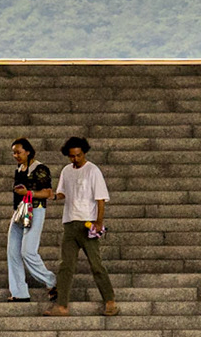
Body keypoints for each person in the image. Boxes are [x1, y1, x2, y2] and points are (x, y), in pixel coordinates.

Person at [44, 135, 117, 317]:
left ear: (84, 153)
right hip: (70, 223)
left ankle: (110, 301)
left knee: (96, 264)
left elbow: (100, 199)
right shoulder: (67, 171)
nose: (75, 159)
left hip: (87, 223)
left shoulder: (93, 171)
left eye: (78, 155)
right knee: (66, 265)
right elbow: (62, 194)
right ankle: (62, 305)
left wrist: (99, 222)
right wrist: (51, 196)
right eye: (72, 156)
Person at [6, 138, 55, 301]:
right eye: (14, 152)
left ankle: (52, 281)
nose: (16, 155)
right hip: (20, 211)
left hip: (35, 209)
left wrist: (28, 193)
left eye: (18, 152)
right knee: (13, 251)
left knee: (27, 251)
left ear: (28, 151)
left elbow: (48, 193)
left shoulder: (40, 169)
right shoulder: (20, 169)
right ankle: (19, 292)